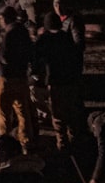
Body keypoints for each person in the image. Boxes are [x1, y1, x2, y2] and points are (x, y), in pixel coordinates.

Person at [32, 11, 84, 152]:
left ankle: (62, 145)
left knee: (58, 114)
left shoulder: (44, 40)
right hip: (71, 80)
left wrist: (36, 74)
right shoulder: (66, 38)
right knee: (71, 111)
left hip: (55, 81)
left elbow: (35, 60)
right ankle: (75, 141)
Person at [0, 6, 36, 153]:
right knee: (22, 111)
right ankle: (26, 143)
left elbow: (4, 57)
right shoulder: (23, 32)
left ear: (4, 18)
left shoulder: (9, 33)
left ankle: (4, 143)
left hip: (7, 79)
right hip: (21, 77)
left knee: (4, 111)